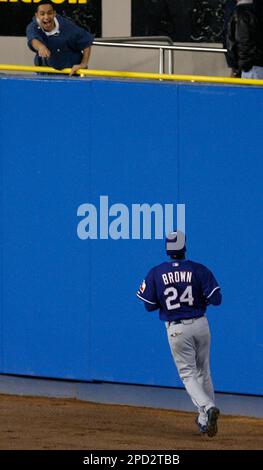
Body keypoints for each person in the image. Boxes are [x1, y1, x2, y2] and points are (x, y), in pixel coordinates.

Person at [136, 231, 222, 438]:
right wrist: (202, 300)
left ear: (167, 249)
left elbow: (148, 305)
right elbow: (217, 299)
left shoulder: (156, 273)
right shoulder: (199, 269)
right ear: (184, 248)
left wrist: (164, 302)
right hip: (201, 324)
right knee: (204, 371)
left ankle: (208, 408)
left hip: (177, 328)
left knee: (188, 374)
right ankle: (203, 420)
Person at [26, 1, 93, 76]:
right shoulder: (32, 27)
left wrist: (83, 64)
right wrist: (41, 47)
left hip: (71, 74)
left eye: (49, 13)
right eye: (42, 14)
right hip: (46, 73)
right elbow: (33, 39)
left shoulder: (67, 26)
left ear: (54, 13)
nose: (46, 17)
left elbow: (86, 41)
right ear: (37, 15)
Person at [226, 0, 263, 79]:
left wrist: (242, 66)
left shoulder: (241, 13)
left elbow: (244, 41)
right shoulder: (254, 10)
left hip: (250, 67)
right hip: (255, 63)